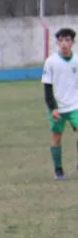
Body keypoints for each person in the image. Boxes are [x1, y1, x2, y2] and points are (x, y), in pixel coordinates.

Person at [43, 28, 78, 180]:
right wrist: (53, 108)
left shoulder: (77, 60)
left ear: (73, 42)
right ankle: (58, 169)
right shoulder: (51, 62)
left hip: (75, 105)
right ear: (57, 42)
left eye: (67, 40)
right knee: (57, 137)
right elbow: (47, 88)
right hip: (58, 107)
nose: (64, 43)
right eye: (61, 40)